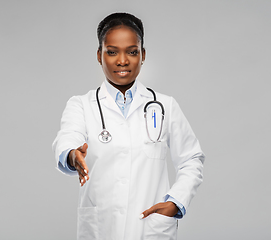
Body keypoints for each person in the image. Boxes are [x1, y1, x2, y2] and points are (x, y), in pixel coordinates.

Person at [52, 12, 205, 240]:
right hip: (101, 228)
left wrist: (176, 202)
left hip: (150, 227)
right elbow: (68, 136)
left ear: (142, 55)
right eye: (112, 52)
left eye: (132, 52)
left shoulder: (165, 105)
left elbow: (191, 159)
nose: (122, 61)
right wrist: (73, 155)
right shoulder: (81, 105)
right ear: (99, 55)